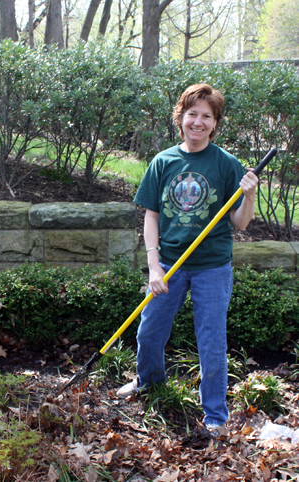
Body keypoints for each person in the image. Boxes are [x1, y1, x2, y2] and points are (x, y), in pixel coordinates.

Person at [116, 83, 259, 431]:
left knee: (211, 341)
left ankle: (214, 416)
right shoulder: (163, 162)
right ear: (181, 117)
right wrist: (153, 265)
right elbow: (150, 215)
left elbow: (239, 222)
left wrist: (249, 197)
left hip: (212, 266)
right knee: (149, 331)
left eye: (206, 116)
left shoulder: (226, 165)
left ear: (214, 123)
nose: (198, 121)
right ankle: (148, 381)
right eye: (192, 113)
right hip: (168, 264)